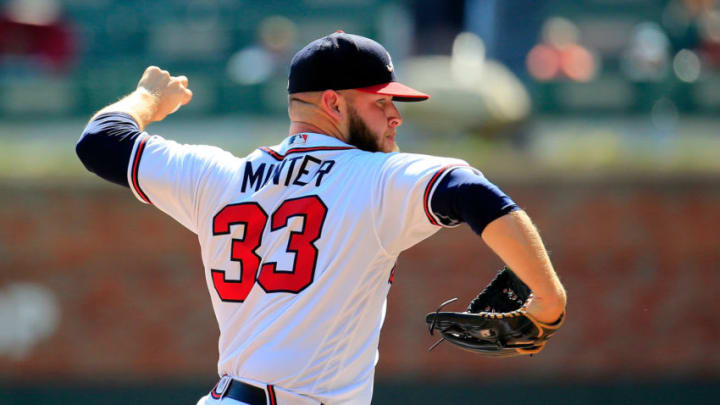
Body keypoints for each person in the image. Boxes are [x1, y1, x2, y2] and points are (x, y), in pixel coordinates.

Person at [76, 31, 566, 405]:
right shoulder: (373, 177)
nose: (395, 116)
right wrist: (548, 298)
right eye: (381, 102)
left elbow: (100, 141)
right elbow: (471, 192)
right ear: (332, 102)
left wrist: (148, 100)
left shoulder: (220, 176)